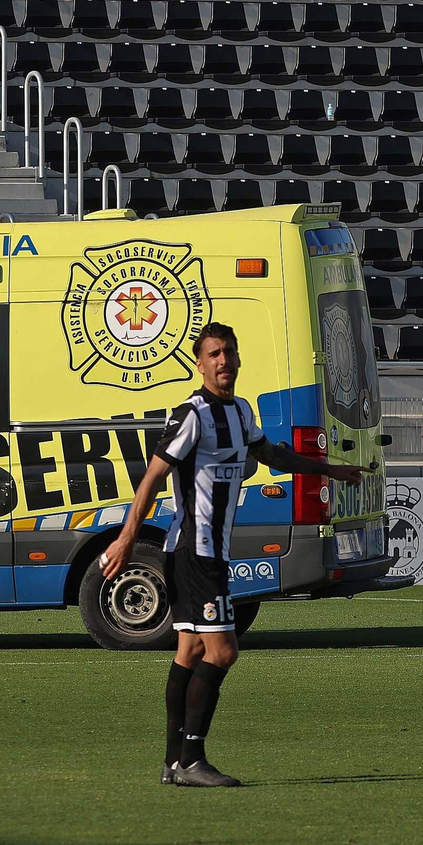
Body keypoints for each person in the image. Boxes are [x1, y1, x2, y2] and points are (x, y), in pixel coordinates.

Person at [101, 322, 371, 788]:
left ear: (239, 358)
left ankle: (172, 763)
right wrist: (126, 538)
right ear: (199, 363)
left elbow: (274, 456)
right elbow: (152, 477)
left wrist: (330, 470)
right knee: (223, 652)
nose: (223, 361)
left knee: (189, 651)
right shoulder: (193, 414)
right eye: (213, 354)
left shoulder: (240, 412)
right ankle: (192, 760)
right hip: (194, 553)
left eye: (228, 352)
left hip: (207, 554)